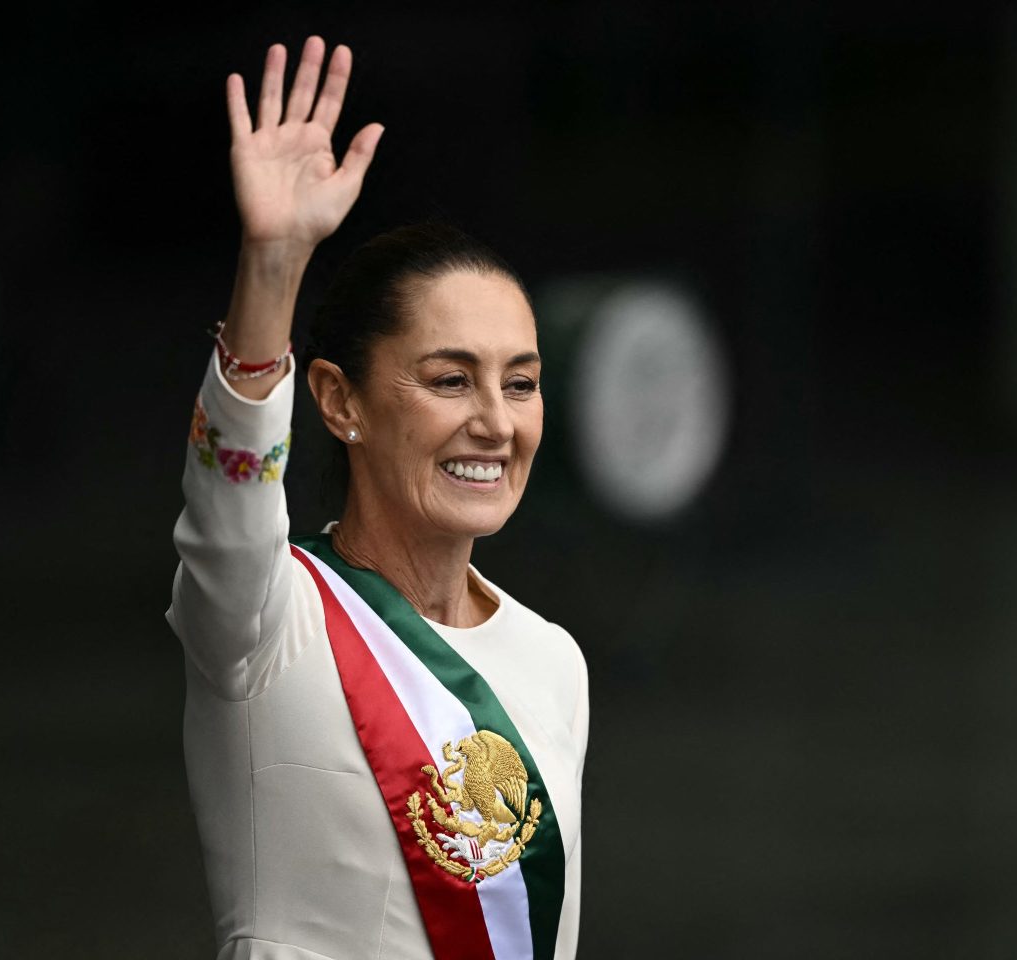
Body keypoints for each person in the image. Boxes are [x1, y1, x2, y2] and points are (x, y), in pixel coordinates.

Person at [165, 37, 589, 960]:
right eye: (450, 381)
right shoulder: (266, 623)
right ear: (339, 401)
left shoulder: (554, 661)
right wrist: (273, 263)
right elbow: (228, 492)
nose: (495, 421)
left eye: (520, 384)